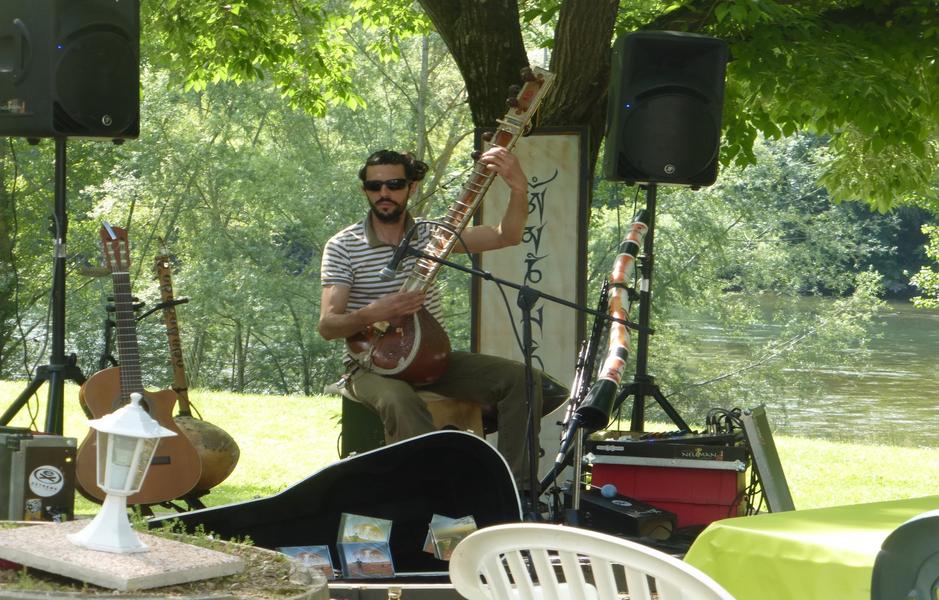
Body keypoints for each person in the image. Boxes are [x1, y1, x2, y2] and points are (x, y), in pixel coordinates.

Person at [318, 148, 567, 497]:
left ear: (411, 187)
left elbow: (504, 235)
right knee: (400, 401)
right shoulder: (344, 245)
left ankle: (513, 492)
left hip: (430, 359)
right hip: (369, 366)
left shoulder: (433, 237)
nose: (384, 193)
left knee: (521, 381)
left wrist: (519, 188)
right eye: (374, 187)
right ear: (365, 191)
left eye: (394, 184)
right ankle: (432, 496)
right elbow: (329, 326)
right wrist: (375, 311)